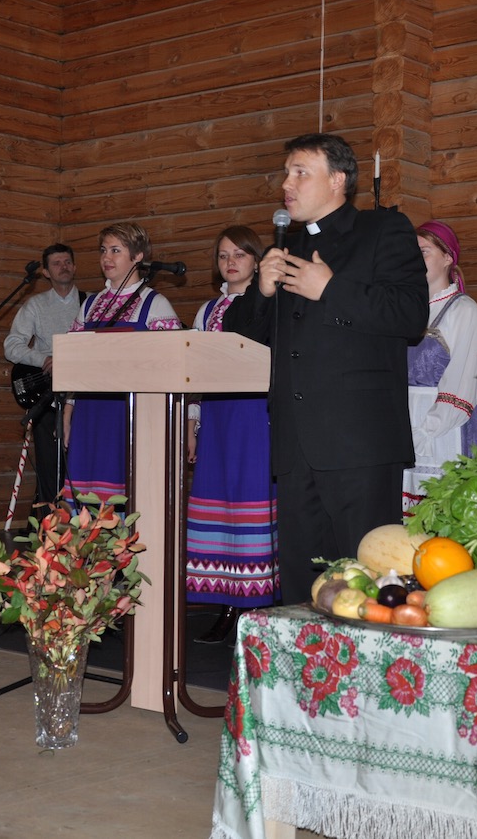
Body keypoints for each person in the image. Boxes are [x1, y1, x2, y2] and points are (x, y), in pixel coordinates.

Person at [223, 134, 428, 604]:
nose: (285, 185)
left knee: (371, 582)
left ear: (337, 180)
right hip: (296, 447)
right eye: (285, 173)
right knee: (301, 586)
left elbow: (410, 316)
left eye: (299, 172)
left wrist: (330, 289)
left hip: (360, 444)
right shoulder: (285, 249)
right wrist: (262, 292)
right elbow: (239, 339)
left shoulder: (383, 230)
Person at [184, 226, 279, 643]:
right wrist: (192, 423)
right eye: (223, 255)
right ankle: (225, 600)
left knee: (250, 503)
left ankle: (256, 602)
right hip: (218, 417)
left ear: (257, 261)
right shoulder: (206, 312)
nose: (230, 262)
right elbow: (193, 371)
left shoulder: (271, 305)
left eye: (239, 254)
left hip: (256, 416)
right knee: (219, 505)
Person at [60, 222, 182, 505]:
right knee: (85, 491)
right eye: (103, 250)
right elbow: (74, 363)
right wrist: (68, 410)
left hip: (129, 415)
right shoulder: (90, 304)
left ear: (138, 256)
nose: (107, 258)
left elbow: (172, 366)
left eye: (116, 250)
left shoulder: (155, 304)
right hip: (90, 413)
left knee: (123, 489)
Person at [403, 220, 477, 515]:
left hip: (442, 431)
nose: (414, 260)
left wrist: (424, 432)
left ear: (447, 258)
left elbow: (463, 384)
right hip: (402, 427)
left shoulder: (464, 312)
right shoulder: (402, 310)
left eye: (423, 252)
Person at [3, 244, 83, 513]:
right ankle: (49, 529)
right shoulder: (35, 305)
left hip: (84, 394)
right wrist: (42, 359)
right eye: (57, 263)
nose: (64, 266)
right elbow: (11, 345)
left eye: (67, 261)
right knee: (49, 462)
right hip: (47, 393)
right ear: (46, 272)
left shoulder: (90, 302)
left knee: (82, 461)